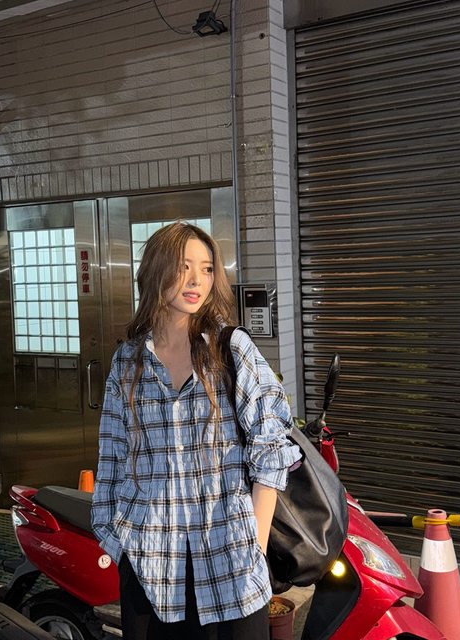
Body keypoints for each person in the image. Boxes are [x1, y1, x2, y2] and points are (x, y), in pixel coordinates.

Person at [91, 222, 301, 640]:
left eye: (206, 269)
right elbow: (113, 456)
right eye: (183, 266)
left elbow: (271, 452)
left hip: (229, 563)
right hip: (150, 562)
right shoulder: (128, 361)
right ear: (155, 271)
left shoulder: (230, 349)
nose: (196, 280)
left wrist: (254, 552)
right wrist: (118, 541)